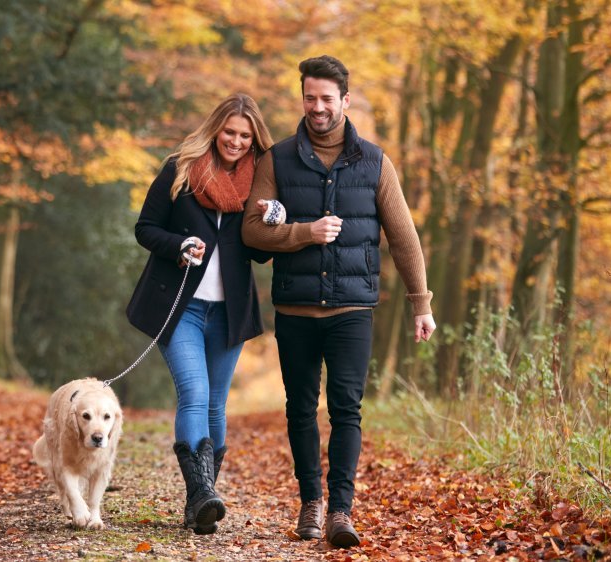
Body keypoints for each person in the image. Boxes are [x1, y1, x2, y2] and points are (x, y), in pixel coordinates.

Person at [242, 56, 437, 548]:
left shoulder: (374, 162)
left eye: (327, 99)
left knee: (347, 409)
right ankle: (311, 503)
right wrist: (304, 233)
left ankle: (341, 512)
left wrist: (421, 303)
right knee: (301, 409)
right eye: (310, 98)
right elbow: (251, 231)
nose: (318, 107)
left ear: (345, 101)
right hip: (295, 310)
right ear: (302, 98)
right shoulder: (277, 160)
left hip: (352, 310)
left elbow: (404, 237)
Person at [126, 93, 274, 535]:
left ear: (254, 140)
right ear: (215, 129)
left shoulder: (261, 183)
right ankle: (202, 495)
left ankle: (200, 500)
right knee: (194, 392)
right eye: (229, 132)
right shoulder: (181, 169)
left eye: (245, 136)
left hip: (229, 312)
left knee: (216, 403)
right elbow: (145, 228)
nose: (236, 141)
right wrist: (178, 246)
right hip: (181, 306)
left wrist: (271, 220)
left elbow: (261, 256)